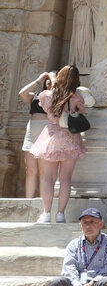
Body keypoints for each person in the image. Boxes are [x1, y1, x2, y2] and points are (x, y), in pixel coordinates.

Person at [31, 65, 87, 223]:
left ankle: (46, 213)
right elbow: (83, 112)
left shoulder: (47, 95)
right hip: (71, 137)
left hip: (52, 136)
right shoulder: (76, 97)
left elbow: (45, 104)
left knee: (48, 178)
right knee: (66, 178)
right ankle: (61, 214)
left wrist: (53, 79)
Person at [18, 71, 54, 199]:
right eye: (47, 78)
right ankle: (28, 200)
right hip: (31, 130)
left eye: (52, 78)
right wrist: (38, 80)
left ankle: (44, 202)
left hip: (46, 131)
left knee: (44, 170)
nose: (49, 80)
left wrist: (55, 82)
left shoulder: (59, 96)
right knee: (30, 170)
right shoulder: (37, 95)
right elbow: (22, 93)